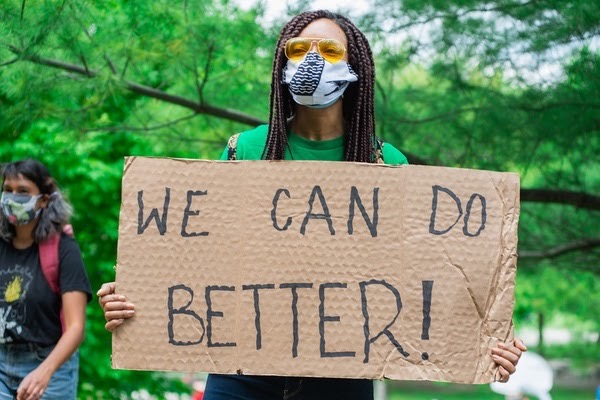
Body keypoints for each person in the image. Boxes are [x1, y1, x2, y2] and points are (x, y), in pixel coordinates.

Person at [98, 9, 527, 400]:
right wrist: (137, 296)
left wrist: (487, 335)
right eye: (299, 50)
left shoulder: (387, 163)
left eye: (329, 49)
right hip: (242, 372)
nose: (312, 60)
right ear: (282, 65)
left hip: (342, 377)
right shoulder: (245, 149)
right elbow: (200, 257)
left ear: (353, 64)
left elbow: (426, 275)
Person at [0, 160, 92, 400]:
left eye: (23, 191)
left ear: (43, 200)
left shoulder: (63, 248)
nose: (12, 198)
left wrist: (45, 372)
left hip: (50, 367)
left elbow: (76, 328)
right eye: (7, 190)